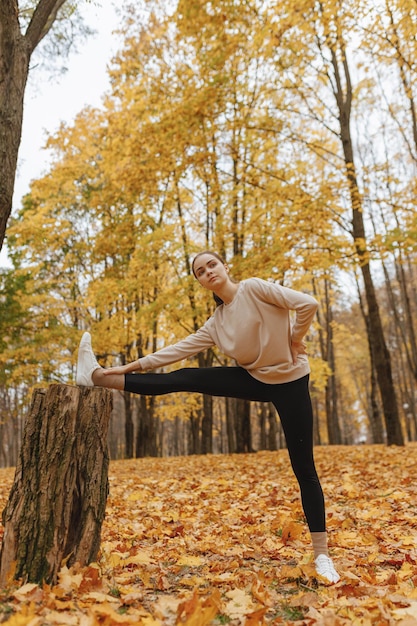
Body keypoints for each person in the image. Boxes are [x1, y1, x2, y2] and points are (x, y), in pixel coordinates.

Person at [76, 250, 340, 584]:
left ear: (225, 267)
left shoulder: (255, 288)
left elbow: (308, 304)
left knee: (304, 468)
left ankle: (322, 557)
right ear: (200, 282)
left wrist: (295, 339)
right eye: (200, 271)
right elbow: (174, 351)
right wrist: (130, 365)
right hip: (256, 380)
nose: (208, 272)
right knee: (185, 377)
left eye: (212, 264)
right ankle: (98, 377)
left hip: (291, 382)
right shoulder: (216, 324)